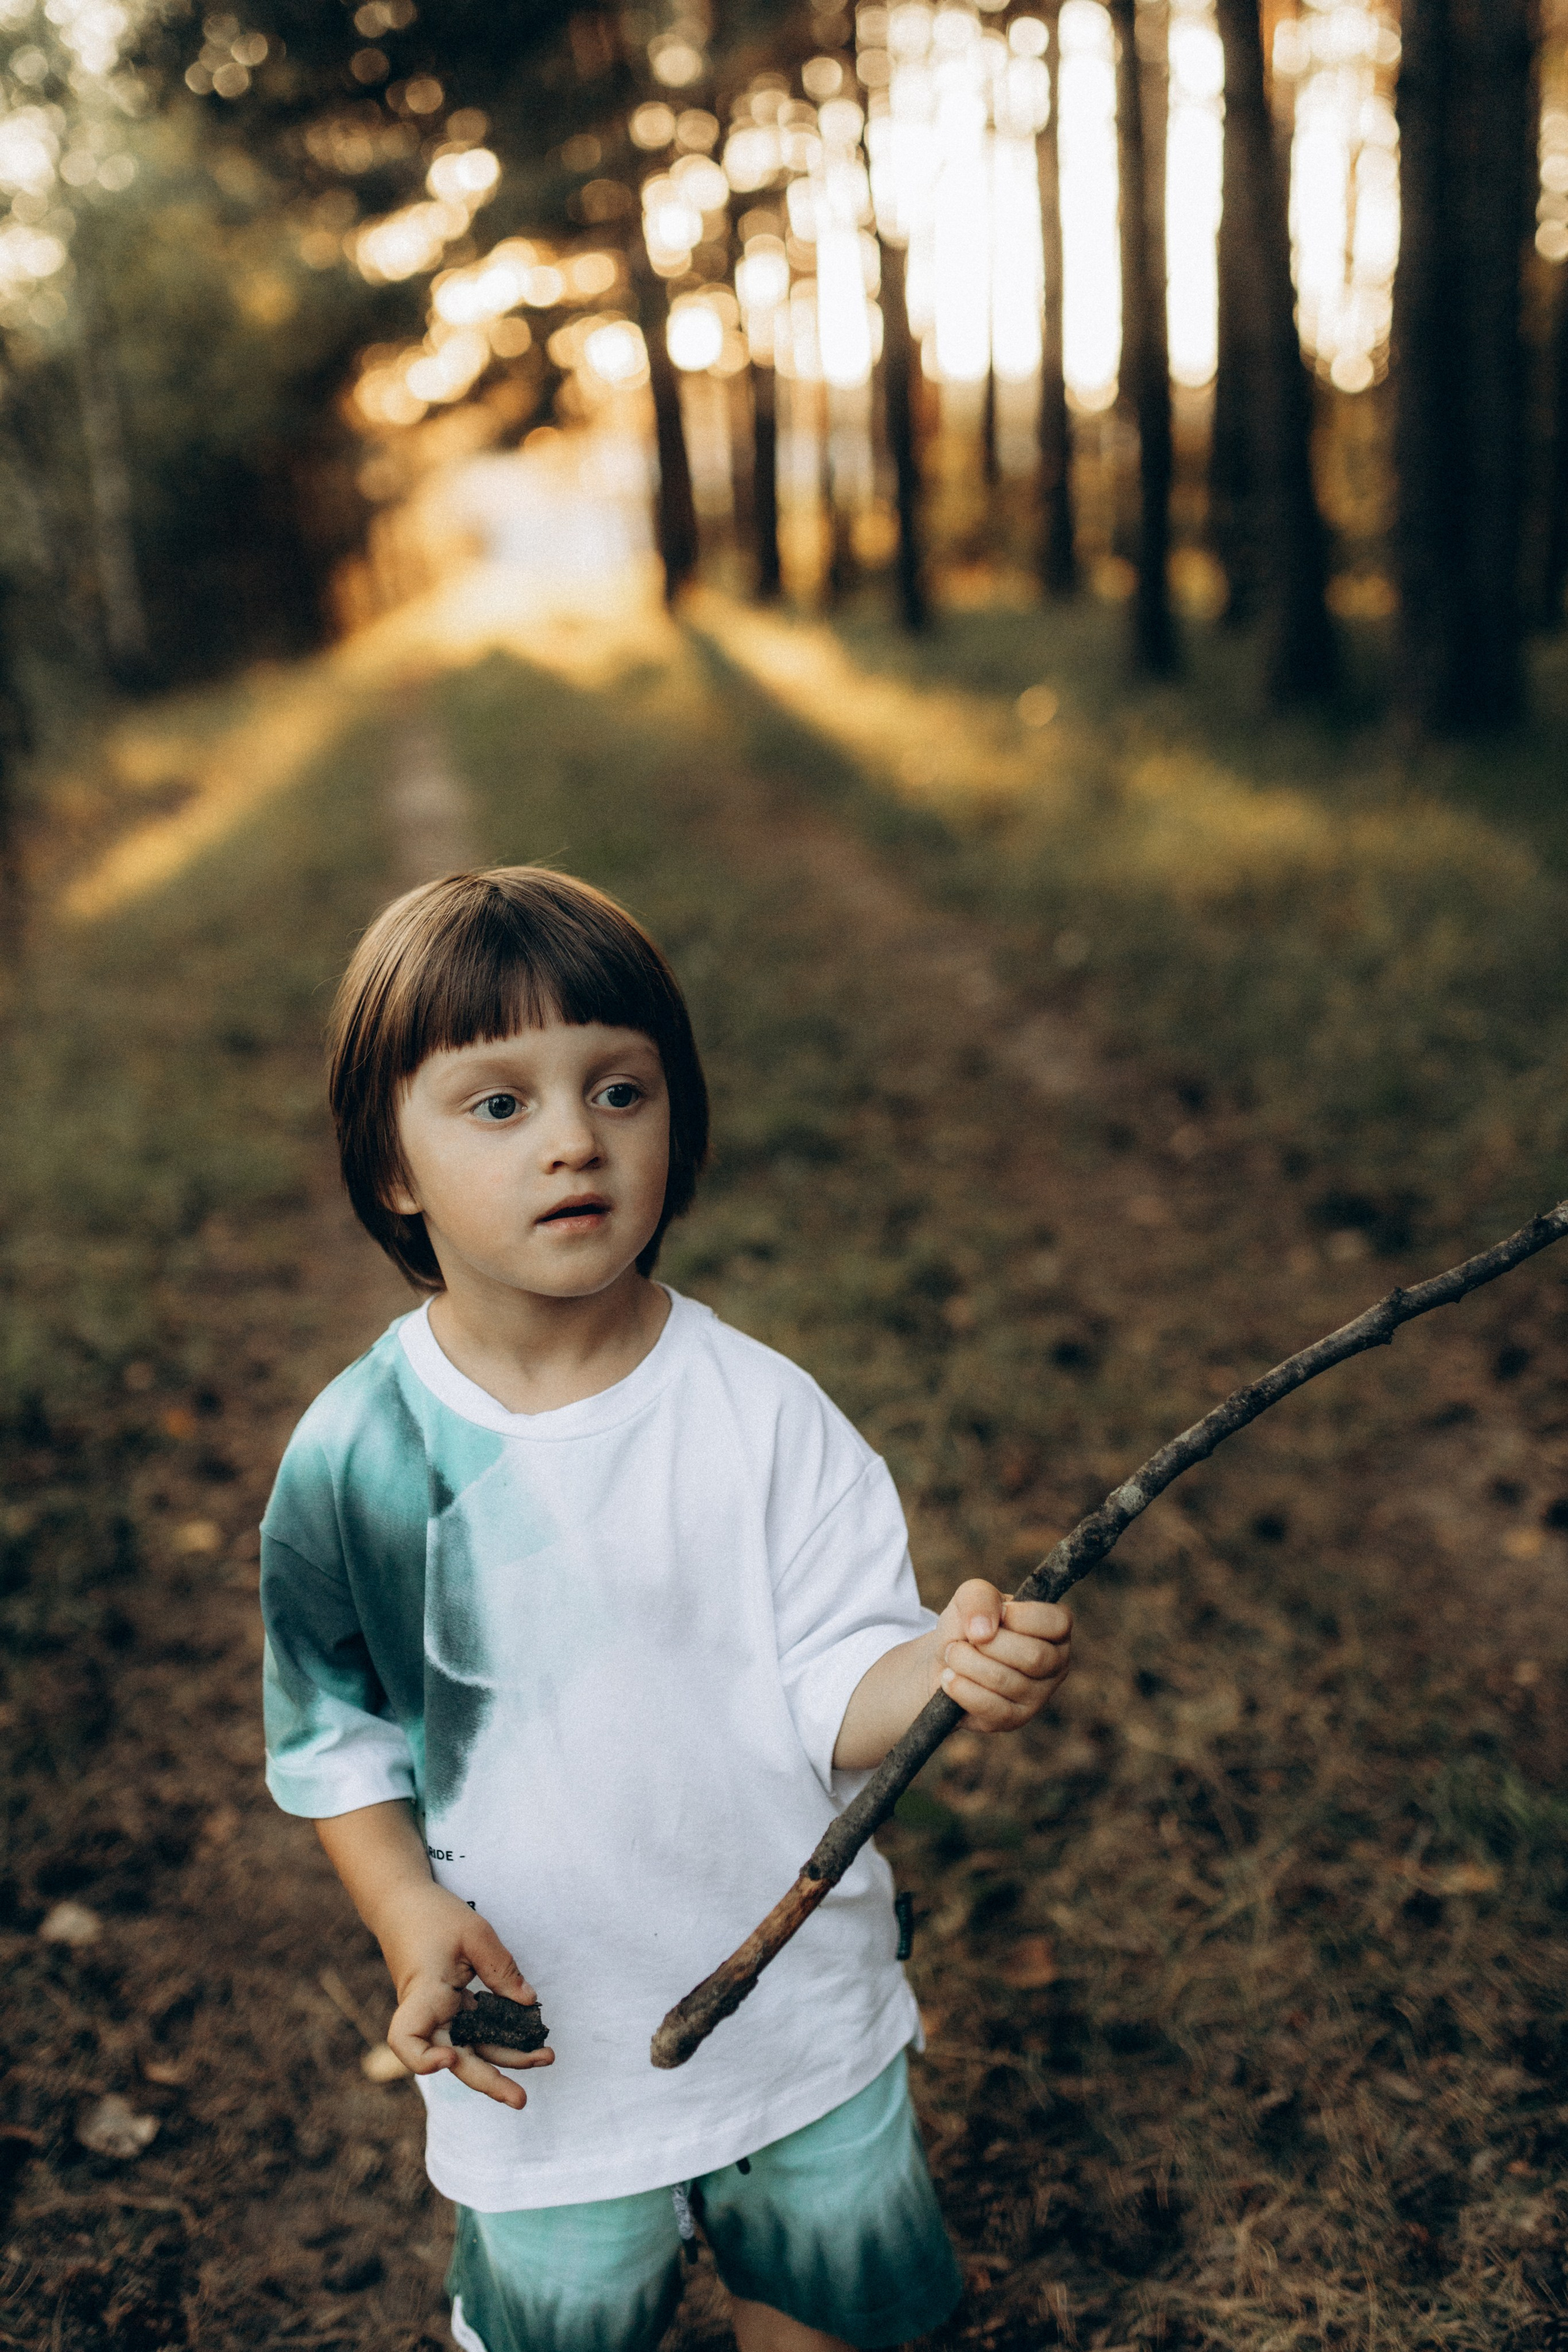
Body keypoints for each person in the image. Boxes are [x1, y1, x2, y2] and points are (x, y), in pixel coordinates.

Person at [261, 867, 1074, 2352]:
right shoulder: (358, 1458)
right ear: (390, 1166)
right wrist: (402, 1909)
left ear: (675, 1125)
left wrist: (941, 1668)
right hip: (545, 2051)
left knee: (825, 2315)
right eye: (497, 1104)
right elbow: (336, 1737)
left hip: (796, 2024)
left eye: (619, 1091)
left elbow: (835, 1680)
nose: (573, 1138)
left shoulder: (761, 1414)